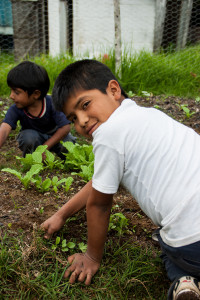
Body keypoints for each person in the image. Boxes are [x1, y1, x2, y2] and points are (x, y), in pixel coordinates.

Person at [41, 59, 200, 300]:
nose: (82, 121)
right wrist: (61, 214)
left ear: (113, 90)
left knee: (167, 244)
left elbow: (99, 203)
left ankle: (184, 281)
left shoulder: (108, 134)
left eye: (85, 105)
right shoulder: (150, 115)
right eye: (72, 118)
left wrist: (92, 257)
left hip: (192, 243)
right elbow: (99, 182)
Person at [0, 61, 76, 160]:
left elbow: (65, 128)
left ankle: (68, 161)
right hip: (35, 139)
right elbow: (4, 129)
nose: (11, 96)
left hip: (56, 137)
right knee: (28, 138)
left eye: (16, 92)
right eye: (11, 90)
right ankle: (33, 160)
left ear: (36, 94)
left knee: (68, 143)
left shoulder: (52, 103)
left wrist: (45, 147)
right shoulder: (16, 109)